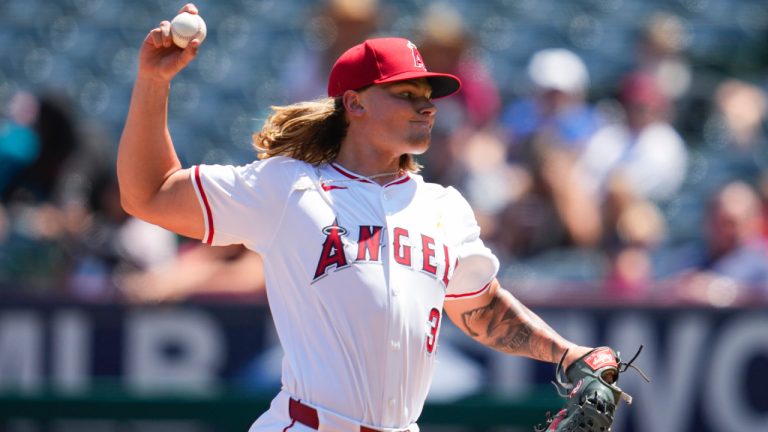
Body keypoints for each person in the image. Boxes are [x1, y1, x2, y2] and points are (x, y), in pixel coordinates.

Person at [118, 4, 597, 431]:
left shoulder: (444, 207)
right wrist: (153, 82)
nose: (426, 105)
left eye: (427, 93)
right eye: (406, 93)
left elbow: (481, 308)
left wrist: (567, 353)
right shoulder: (288, 186)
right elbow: (151, 194)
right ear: (355, 102)